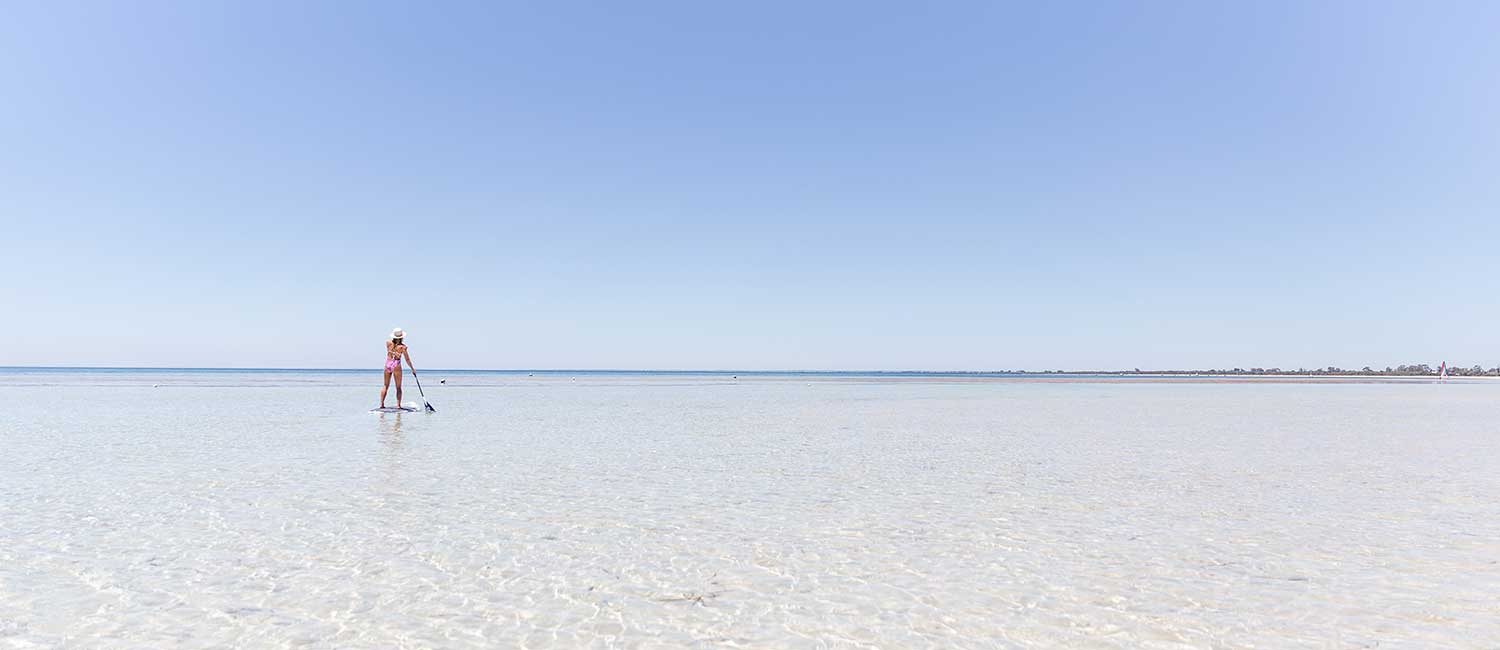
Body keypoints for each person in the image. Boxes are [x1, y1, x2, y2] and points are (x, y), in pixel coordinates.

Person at [380, 328, 416, 409]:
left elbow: (390, 350)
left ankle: (382, 404)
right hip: (396, 364)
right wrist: (412, 369)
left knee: (385, 385)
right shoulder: (403, 347)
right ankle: (398, 405)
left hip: (388, 363)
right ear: (402, 337)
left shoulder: (388, 343)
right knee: (398, 387)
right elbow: (407, 359)